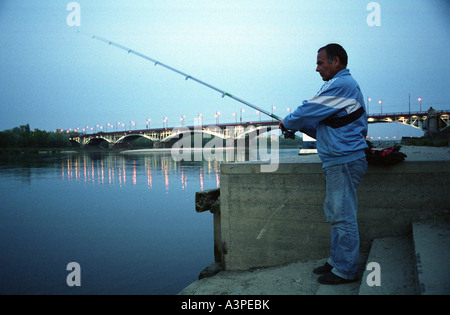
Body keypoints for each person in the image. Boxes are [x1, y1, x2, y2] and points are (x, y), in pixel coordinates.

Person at [279, 43, 368, 285]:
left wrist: (289, 121)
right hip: (339, 159)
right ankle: (337, 260)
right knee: (336, 212)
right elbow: (325, 127)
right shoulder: (337, 86)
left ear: (336, 61)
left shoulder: (342, 85)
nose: (317, 68)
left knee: (343, 215)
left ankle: (347, 270)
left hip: (344, 160)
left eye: (320, 62)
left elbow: (310, 109)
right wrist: (295, 126)